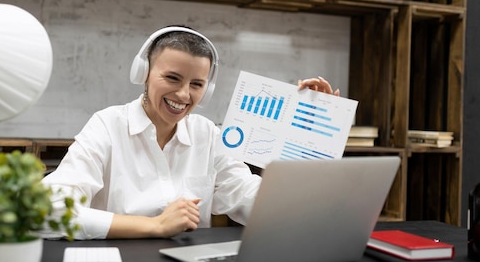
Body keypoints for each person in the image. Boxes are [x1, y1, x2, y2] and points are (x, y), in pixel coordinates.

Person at [42, 26, 340, 240]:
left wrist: (312, 137)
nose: (184, 95)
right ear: (143, 73)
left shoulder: (208, 135)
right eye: (172, 78)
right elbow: (49, 211)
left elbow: (254, 200)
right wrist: (155, 226)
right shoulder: (107, 126)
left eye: (196, 84)